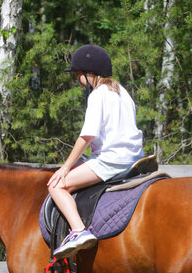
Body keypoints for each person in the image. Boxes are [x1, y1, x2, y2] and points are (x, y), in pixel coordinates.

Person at [48, 44, 144, 259]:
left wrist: (65, 167)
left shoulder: (98, 94)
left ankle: (79, 231)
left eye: (78, 76)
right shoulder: (122, 92)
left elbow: (87, 135)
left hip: (111, 160)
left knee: (56, 185)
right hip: (135, 157)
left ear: (89, 73)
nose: (78, 81)